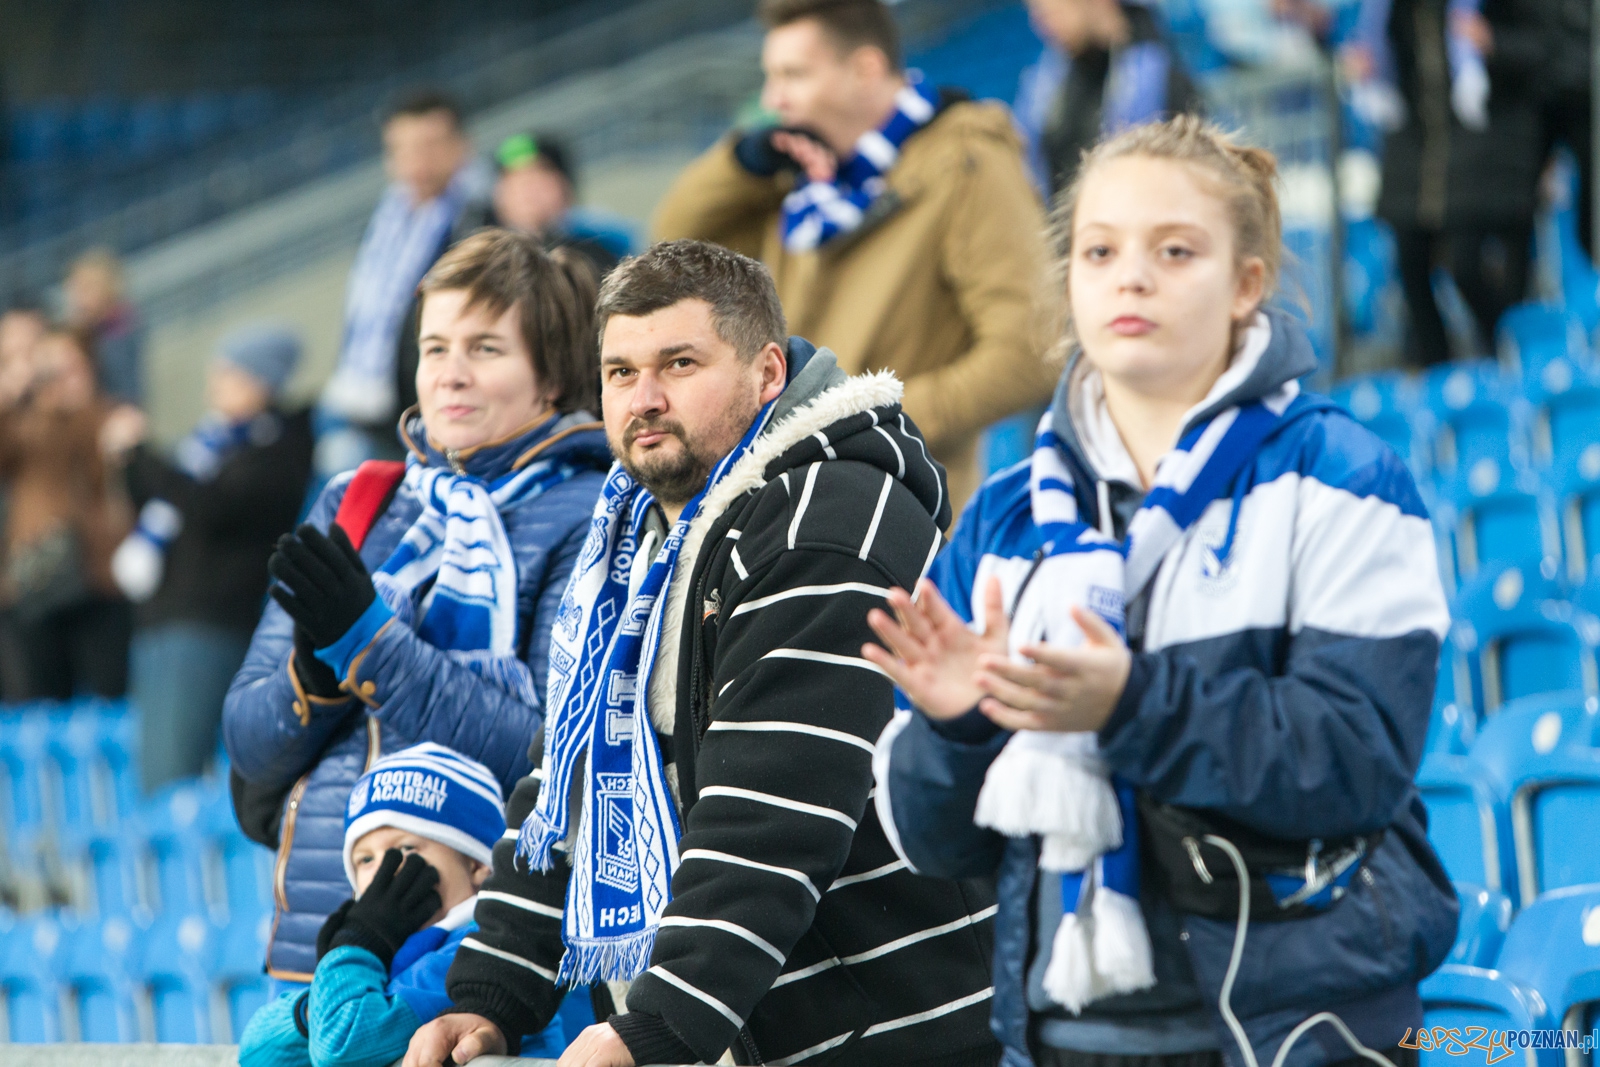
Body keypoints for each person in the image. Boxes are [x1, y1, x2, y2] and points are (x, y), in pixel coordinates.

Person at [869, 117, 1457, 1066]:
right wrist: (957, 728)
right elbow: (929, 846)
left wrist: (1132, 705)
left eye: (1174, 250)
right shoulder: (1005, 516)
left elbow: (1357, 759)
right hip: (1060, 1032)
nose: (1130, 276)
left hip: (1297, 1031)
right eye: (1099, 251)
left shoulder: (1343, 476)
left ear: (1246, 284)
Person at [404, 240, 998, 1067]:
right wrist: (493, 992)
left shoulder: (826, 520)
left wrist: (661, 1023)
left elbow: (775, 807)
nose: (644, 399)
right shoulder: (631, 536)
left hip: (884, 1034)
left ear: (767, 373)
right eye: (619, 373)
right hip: (746, 1028)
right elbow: (564, 781)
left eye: (678, 364)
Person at [223, 229, 612, 986]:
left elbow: (546, 753)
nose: (451, 376)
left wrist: (366, 644)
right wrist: (315, 675)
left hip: (487, 956)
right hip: (324, 937)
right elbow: (249, 741)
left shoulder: (594, 511)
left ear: (553, 378)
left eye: (486, 349)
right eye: (436, 349)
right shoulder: (357, 501)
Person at [653, 0, 1057, 513]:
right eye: (770, 77)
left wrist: (858, 420)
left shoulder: (968, 162)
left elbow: (1030, 352)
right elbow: (676, 246)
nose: (774, 99)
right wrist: (740, 164)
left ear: (865, 69)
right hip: (788, 501)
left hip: (902, 509)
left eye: (794, 75)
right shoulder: (795, 174)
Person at [239, 743, 594, 1066]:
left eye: (406, 850)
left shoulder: (477, 953)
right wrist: (336, 976)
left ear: (476, 865)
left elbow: (341, 1045)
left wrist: (353, 946)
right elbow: (257, 1054)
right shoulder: (381, 954)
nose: (383, 871)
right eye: (364, 860)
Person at [101, 325, 314, 793]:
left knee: (173, 772)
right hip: (165, 618)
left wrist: (144, 456)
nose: (214, 386)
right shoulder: (210, 445)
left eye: (229, 375)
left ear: (261, 382)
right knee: (155, 766)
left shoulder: (276, 450)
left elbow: (207, 508)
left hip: (209, 622)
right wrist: (129, 464)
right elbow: (168, 508)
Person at [1349, 0, 1544, 365]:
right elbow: (1367, 52)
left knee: (1466, 263)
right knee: (1409, 259)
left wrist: (1493, 43)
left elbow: (1543, 51)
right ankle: (1442, 380)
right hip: (1418, 150)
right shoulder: (1382, 11)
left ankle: (1507, 357)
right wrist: (1365, 64)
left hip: (1486, 149)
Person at [317, 89, 493, 479]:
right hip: (361, 401)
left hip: (425, 407)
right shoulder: (387, 217)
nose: (416, 159)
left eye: (430, 145)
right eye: (402, 148)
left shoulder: (479, 215)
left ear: (461, 145)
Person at [0, 327, 133, 700]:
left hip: (99, 577)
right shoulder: (30, 425)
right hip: (37, 577)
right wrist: (14, 391)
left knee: (110, 690)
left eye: (69, 367)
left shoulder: (106, 416)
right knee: (41, 697)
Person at [1013, 0, 1204, 198]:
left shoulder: (1160, 74)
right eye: (1039, 15)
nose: (1043, 27)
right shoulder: (1046, 82)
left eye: (1055, 12)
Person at [64, 248, 146, 407]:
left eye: (85, 289)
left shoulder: (120, 331)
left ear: (106, 289)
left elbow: (124, 392)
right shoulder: (84, 330)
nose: (77, 299)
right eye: (74, 290)